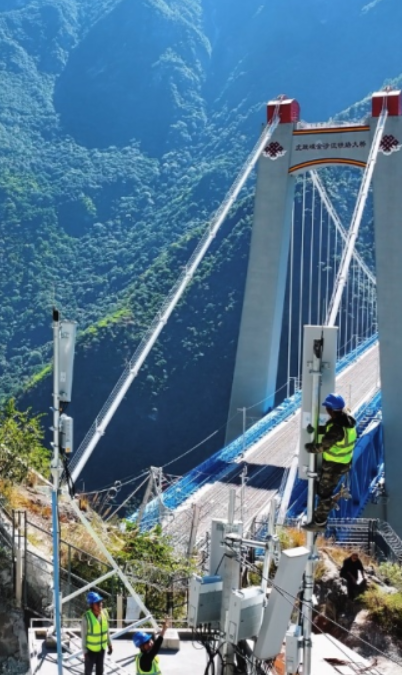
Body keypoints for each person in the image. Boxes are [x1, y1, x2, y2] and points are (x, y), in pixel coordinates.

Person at [303, 393, 357, 531]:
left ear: (330, 409)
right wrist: (317, 429)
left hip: (334, 466)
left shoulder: (336, 428)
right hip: (343, 463)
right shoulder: (347, 421)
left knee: (324, 494)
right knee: (322, 489)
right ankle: (325, 510)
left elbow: (323, 446)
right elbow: (331, 433)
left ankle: (319, 524)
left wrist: (309, 447)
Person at [82, 591, 113, 675]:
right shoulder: (86, 618)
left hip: (101, 649)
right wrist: (85, 652)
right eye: (97, 603)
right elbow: (84, 636)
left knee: (100, 671)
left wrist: (109, 644)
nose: (100, 604)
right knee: (88, 672)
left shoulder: (104, 614)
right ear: (92, 605)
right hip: (90, 651)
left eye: (101, 602)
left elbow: (106, 631)